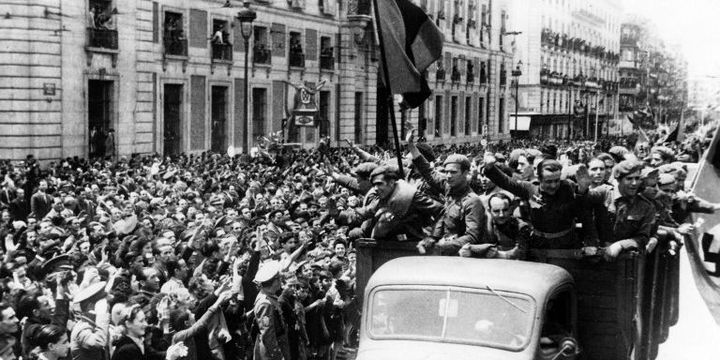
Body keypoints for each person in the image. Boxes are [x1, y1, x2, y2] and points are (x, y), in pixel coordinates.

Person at [460, 192, 531, 259]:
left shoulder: (521, 227)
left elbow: (521, 252)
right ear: (489, 211)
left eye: (505, 210)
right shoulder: (484, 225)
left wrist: (498, 254)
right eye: (496, 211)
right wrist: (467, 250)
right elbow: (473, 243)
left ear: (510, 209)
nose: (501, 215)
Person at [253, 261, 290, 360]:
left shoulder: (270, 296)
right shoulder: (265, 303)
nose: (281, 280)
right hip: (272, 350)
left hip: (280, 342)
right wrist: (278, 355)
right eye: (279, 278)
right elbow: (268, 334)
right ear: (274, 281)